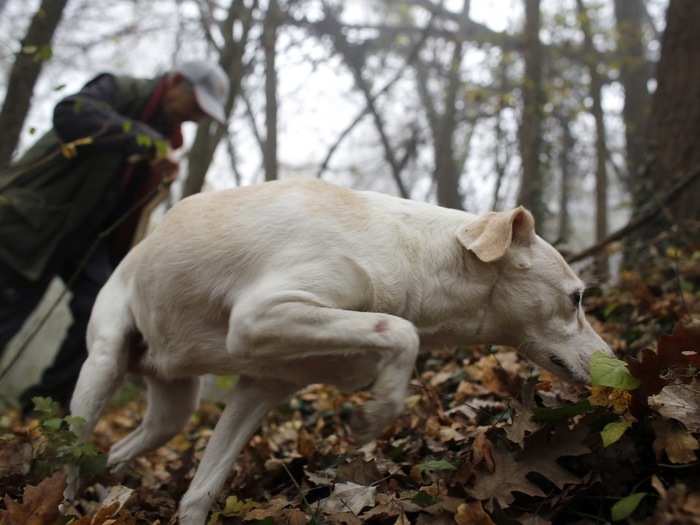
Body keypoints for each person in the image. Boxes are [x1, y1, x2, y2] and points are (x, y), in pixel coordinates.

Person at [0, 60, 229, 414]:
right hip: (33, 226)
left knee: (105, 311)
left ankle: (42, 412)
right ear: (176, 82)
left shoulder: (168, 139)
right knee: (7, 312)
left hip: (86, 239)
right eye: (196, 104)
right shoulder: (122, 90)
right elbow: (70, 112)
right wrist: (145, 140)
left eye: (204, 112)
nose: (197, 116)